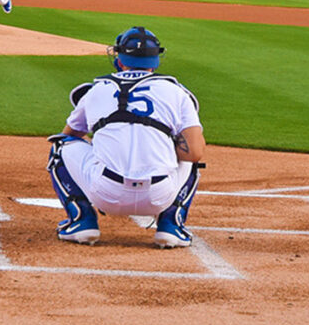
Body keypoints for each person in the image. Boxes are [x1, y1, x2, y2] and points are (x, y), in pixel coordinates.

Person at [48, 26, 208, 248]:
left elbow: (69, 136)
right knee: (190, 153)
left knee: (60, 148)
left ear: (120, 60)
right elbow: (195, 152)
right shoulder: (177, 92)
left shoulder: (97, 90)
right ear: (156, 61)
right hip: (159, 195)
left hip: (106, 193)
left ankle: (81, 221)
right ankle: (172, 225)